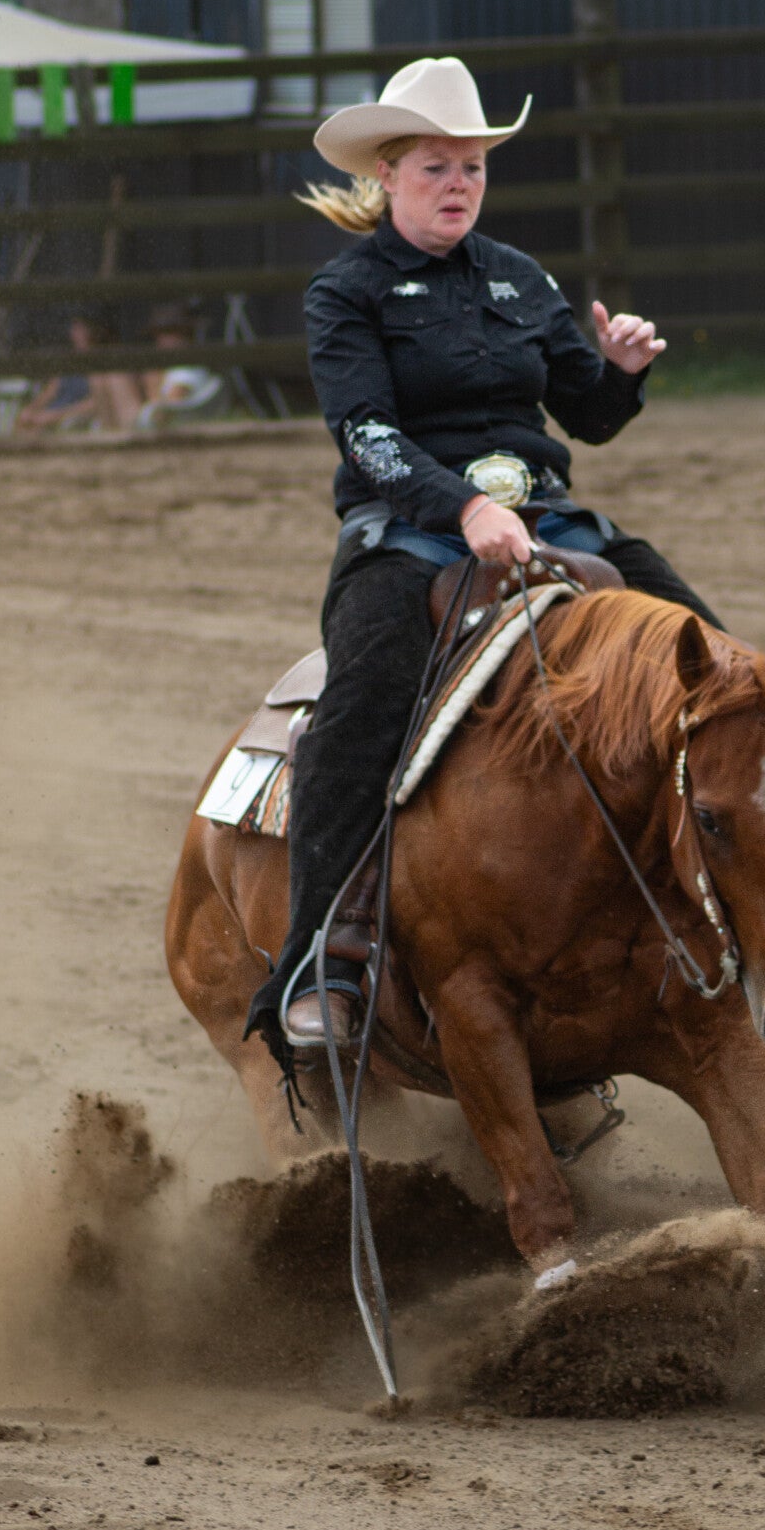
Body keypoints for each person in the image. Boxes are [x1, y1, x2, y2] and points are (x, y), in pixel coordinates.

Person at [250, 56, 721, 1054]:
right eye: (436, 167)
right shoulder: (346, 293)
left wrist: (621, 373)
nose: (458, 184)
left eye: (472, 166)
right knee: (362, 706)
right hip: (407, 535)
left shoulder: (520, 276)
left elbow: (587, 415)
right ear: (387, 174)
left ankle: (756, 924)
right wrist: (463, 509)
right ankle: (322, 957)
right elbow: (368, 438)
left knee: (720, 673)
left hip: (548, 518)